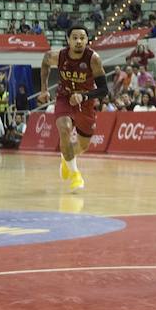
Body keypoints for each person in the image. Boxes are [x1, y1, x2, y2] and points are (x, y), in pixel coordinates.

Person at [38, 25, 107, 193]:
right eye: (75, 38)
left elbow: (104, 90)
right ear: (68, 40)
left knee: (83, 146)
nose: (78, 41)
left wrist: (84, 96)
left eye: (82, 38)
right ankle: (75, 174)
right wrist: (44, 88)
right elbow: (45, 61)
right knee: (65, 129)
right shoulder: (58, 56)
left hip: (85, 102)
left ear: (87, 41)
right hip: (65, 97)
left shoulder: (93, 59)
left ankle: (65, 157)